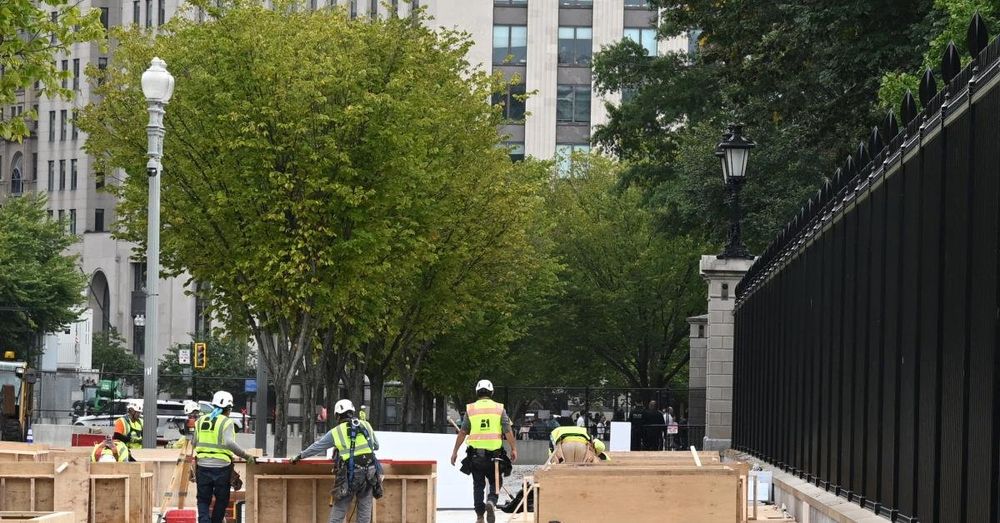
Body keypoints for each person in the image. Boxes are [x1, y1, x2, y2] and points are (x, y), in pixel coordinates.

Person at [290, 399, 382, 523]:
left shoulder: (336, 432)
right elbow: (375, 447)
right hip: (370, 474)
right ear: (352, 411)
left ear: (337, 415)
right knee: (364, 513)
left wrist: (299, 456)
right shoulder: (365, 425)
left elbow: (317, 447)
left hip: (351, 476)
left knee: (338, 513)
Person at [450, 379, 518, 523]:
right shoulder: (499, 408)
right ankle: (492, 502)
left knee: (478, 486)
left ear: (477, 392)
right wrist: (513, 449)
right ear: (492, 392)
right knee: (496, 481)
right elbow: (508, 431)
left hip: (475, 456)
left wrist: (455, 451)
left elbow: (462, 432)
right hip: (495, 456)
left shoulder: (471, 409)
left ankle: (480, 516)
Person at [194, 390, 256, 523]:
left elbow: (194, 443)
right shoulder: (226, 422)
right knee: (222, 500)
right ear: (227, 408)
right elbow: (229, 443)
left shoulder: (200, 421)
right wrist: (246, 456)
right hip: (222, 467)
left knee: (203, 499)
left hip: (202, 466)